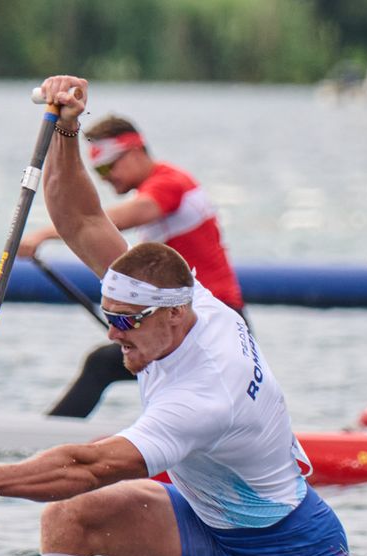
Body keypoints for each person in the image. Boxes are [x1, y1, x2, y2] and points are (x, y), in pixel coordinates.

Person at [0, 75, 367, 556]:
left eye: (128, 322)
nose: (114, 331)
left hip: (291, 547)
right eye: (110, 315)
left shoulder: (205, 393)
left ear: (173, 318)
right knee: (68, 520)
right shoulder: (183, 299)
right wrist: (65, 128)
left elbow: (91, 464)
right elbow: (80, 221)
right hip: (201, 521)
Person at [18, 111, 248, 418]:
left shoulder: (170, 183)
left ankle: (44, 441)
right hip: (190, 316)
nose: (107, 176)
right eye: (99, 171)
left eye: (111, 165)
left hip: (214, 318)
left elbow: (117, 218)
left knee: (102, 364)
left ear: (137, 150)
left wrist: (44, 234)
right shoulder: (160, 185)